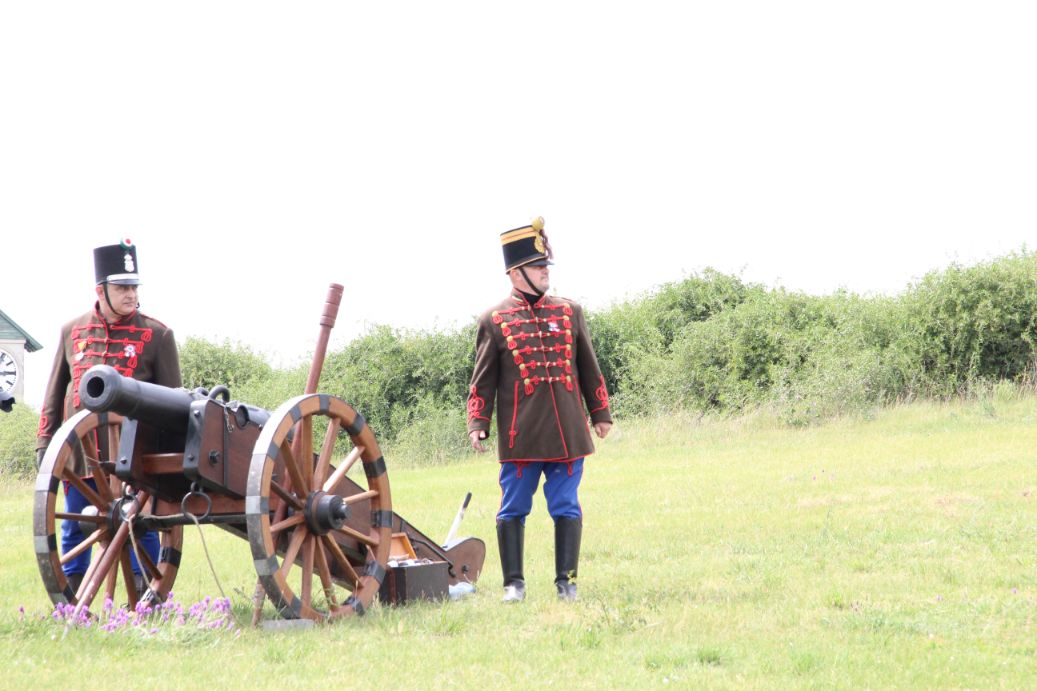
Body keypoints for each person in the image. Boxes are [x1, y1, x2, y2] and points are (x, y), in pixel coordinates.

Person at [467, 217, 612, 602]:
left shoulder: (569, 311)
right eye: (537, 266)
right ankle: (514, 584)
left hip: (568, 432)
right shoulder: (494, 320)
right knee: (513, 508)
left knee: (566, 506)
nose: (545, 272)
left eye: (545, 265)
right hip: (522, 434)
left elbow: (588, 366)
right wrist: (478, 421)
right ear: (516, 273)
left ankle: (567, 583)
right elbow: (483, 379)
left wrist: (600, 413)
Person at [36, 239, 182, 595]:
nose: (131, 295)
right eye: (122, 288)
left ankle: (145, 595)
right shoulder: (72, 331)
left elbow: (173, 404)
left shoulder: (158, 335)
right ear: (100, 290)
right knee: (74, 527)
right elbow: (54, 394)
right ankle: (72, 597)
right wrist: (45, 444)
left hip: (133, 455)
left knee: (138, 525)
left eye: (134, 288)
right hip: (80, 456)